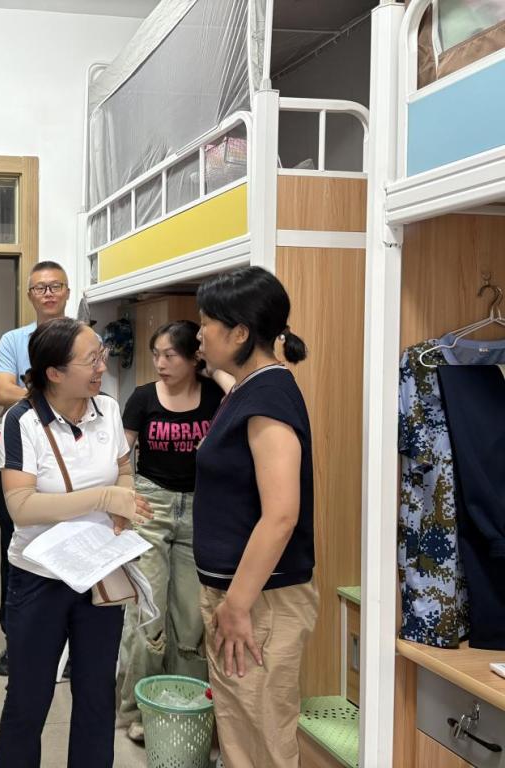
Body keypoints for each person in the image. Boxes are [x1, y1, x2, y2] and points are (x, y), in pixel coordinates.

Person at [0, 318, 152, 768]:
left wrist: (123, 500)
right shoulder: (21, 420)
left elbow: (123, 468)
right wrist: (103, 498)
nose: (102, 366)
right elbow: (22, 506)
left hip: (98, 569)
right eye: (91, 360)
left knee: (97, 694)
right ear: (55, 373)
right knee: (28, 698)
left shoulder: (108, 409)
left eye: (101, 356)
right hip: (39, 576)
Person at [193, 266, 317, 768]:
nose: (199, 334)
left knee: (261, 739)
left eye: (207, 323)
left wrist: (238, 605)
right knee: (240, 733)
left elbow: (281, 515)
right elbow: (231, 380)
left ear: (240, 333)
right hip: (240, 595)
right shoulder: (251, 387)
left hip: (260, 601)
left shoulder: (267, 400)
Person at [115, 320, 231, 743]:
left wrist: (214, 370)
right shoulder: (143, 397)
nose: (160, 363)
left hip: (200, 507)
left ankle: (184, 704)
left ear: (193, 358)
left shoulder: (214, 394)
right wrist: (124, 498)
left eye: (170, 355)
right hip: (152, 503)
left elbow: (242, 392)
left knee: (190, 617)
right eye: (156, 354)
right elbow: (121, 454)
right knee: (148, 612)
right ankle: (137, 708)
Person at [0, 259, 71, 676]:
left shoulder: (85, 337)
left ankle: (70, 647)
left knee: (72, 546)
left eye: (55, 286)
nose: (48, 293)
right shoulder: (13, 339)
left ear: (67, 292)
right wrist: (58, 390)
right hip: (20, 460)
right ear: (30, 296)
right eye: (40, 287)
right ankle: (15, 642)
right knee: (16, 549)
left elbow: (89, 390)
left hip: (71, 464)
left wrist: (35, 390)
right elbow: (2, 391)